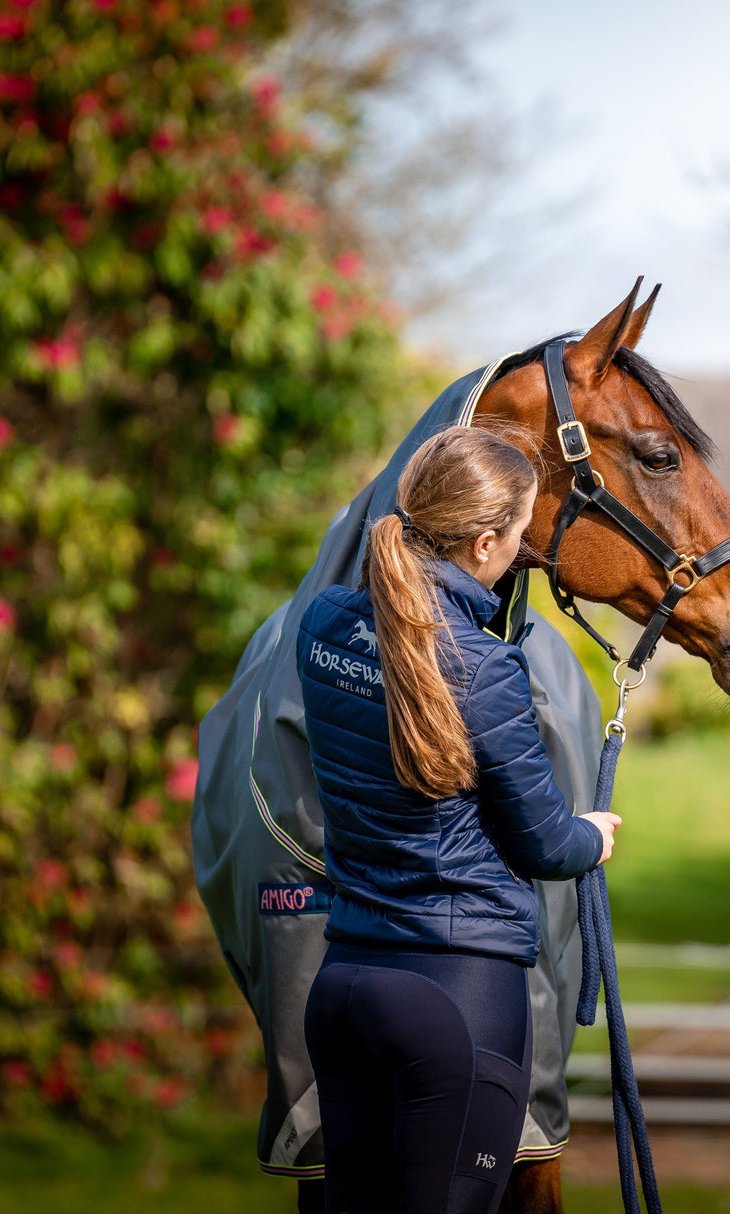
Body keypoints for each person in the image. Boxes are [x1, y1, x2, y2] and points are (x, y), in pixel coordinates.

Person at [296, 425, 620, 1214]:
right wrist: (594, 837)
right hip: (456, 992)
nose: (520, 554)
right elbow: (544, 841)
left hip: (341, 988)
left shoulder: (322, 627)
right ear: (483, 544)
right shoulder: (484, 667)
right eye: (518, 537)